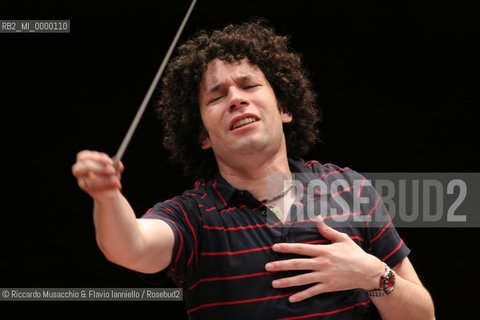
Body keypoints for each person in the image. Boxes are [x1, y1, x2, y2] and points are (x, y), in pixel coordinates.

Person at [72, 21, 435, 319]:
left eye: (248, 85)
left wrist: (373, 274)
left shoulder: (348, 189)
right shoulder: (195, 216)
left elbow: (423, 315)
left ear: (285, 109)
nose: (235, 98)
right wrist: (106, 196)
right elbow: (130, 246)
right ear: (201, 136)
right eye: (217, 96)